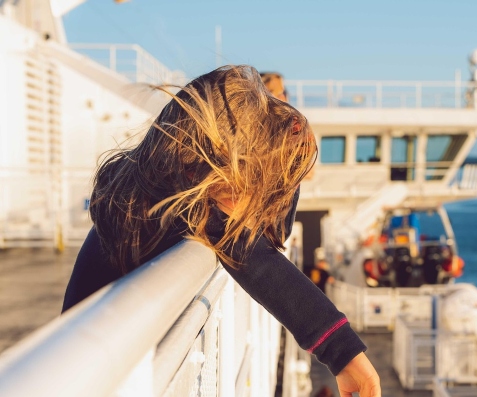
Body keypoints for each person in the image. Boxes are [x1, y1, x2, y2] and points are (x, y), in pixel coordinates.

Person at [61, 65, 381, 397]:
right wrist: (344, 354)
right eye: (254, 182)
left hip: (86, 361)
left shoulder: (149, 189)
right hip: (89, 377)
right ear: (220, 164)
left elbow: (269, 239)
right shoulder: (183, 206)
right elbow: (262, 259)